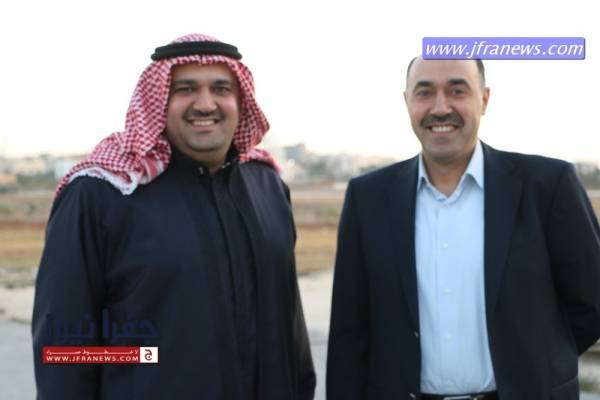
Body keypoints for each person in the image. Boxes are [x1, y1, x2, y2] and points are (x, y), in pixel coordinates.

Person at [32, 33, 315, 400]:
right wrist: (147, 359)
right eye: (185, 89)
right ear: (159, 101)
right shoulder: (101, 194)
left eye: (221, 89)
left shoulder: (268, 186)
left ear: (241, 101)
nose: (205, 104)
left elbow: (291, 325)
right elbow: (65, 351)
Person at [327, 57, 600, 400]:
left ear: (484, 99)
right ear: (407, 102)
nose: (440, 108)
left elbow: (592, 303)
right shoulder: (368, 199)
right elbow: (349, 334)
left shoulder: (548, 186)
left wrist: (539, 361)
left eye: (457, 91)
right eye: (425, 93)